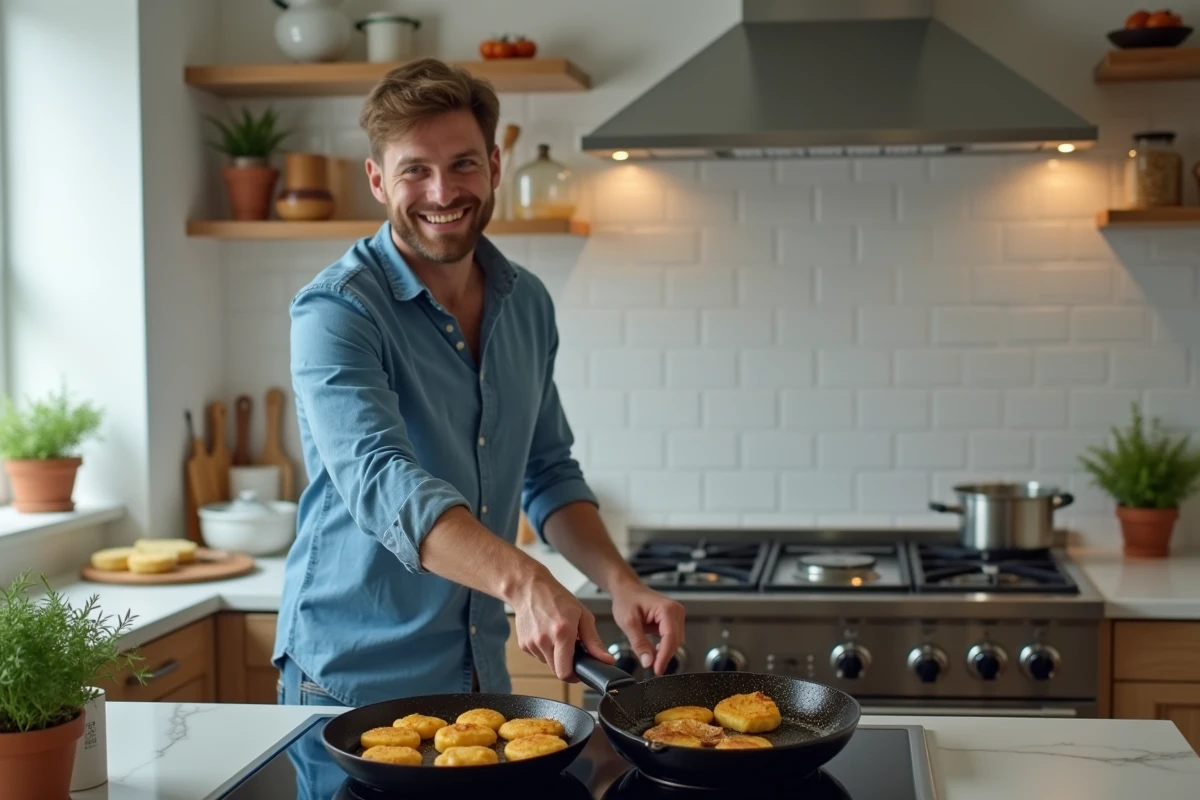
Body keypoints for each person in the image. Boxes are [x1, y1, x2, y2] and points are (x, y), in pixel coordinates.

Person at [273, 58, 685, 707]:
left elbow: (547, 472)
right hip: (351, 680)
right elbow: (382, 483)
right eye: (416, 169)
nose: (442, 192)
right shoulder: (336, 312)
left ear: (495, 167)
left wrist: (619, 581)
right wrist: (524, 582)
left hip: (474, 672)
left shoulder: (527, 303)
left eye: (463, 164)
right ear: (378, 180)